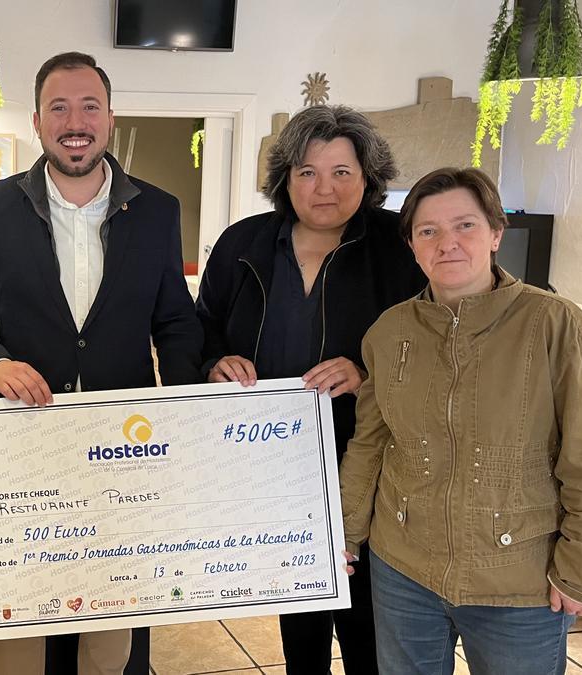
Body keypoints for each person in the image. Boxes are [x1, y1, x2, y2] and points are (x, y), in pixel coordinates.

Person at [0, 51, 203, 675]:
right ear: (37, 121)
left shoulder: (158, 210)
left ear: (110, 117)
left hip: (122, 445)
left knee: (111, 619)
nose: (75, 120)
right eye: (58, 107)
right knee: (20, 615)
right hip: (22, 441)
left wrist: (190, 412)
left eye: (90, 105)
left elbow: (173, 320)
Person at [340, 167, 582, 674]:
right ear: (411, 244)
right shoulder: (389, 333)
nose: (446, 243)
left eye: (465, 226)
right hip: (403, 571)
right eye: (428, 230)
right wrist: (343, 532)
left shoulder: (554, 325)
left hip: (520, 579)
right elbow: (370, 444)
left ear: (496, 234)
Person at [195, 104, 425, 675]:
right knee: (298, 612)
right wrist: (211, 362)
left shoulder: (400, 251)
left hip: (369, 468)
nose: (324, 188)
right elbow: (199, 328)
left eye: (341, 172)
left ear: (368, 177)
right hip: (271, 464)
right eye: (307, 172)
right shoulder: (241, 244)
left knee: (367, 624)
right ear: (285, 179)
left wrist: (367, 376)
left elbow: (435, 350)